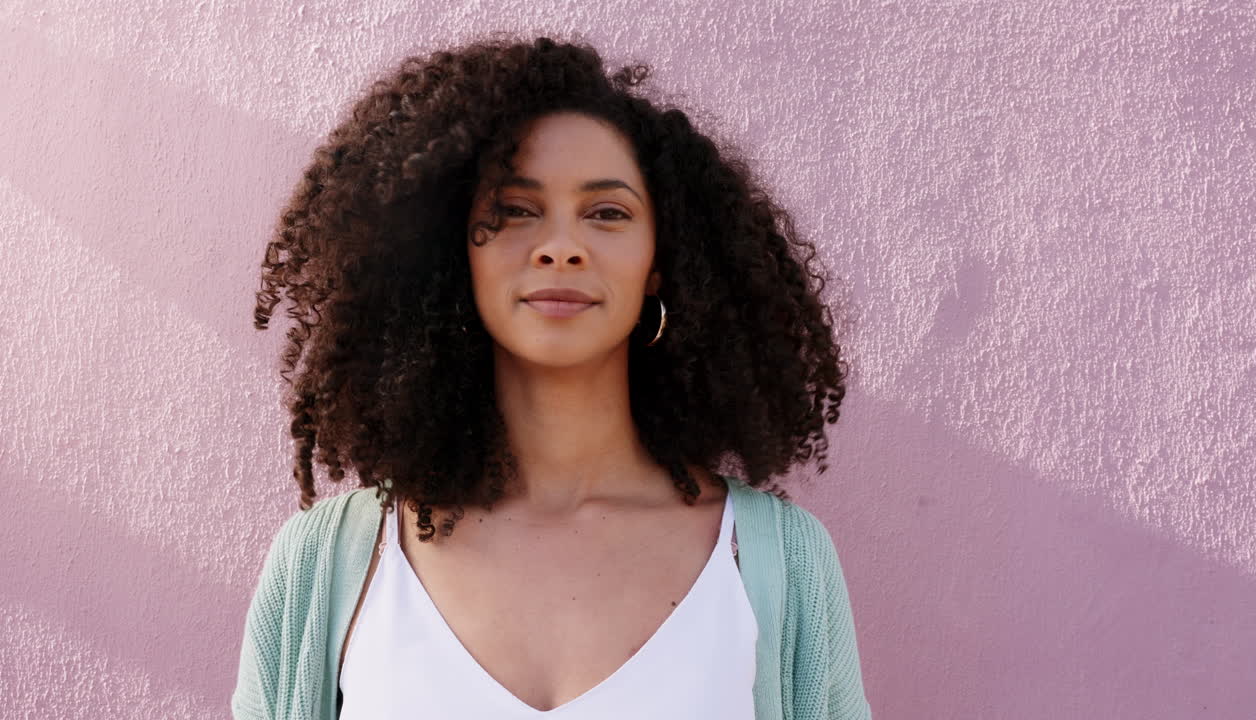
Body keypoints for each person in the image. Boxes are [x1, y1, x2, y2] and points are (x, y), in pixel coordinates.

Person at [233, 33, 872, 720]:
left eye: (607, 213)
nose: (562, 248)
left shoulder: (778, 563)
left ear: (662, 258)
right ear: (458, 255)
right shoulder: (324, 569)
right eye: (514, 211)